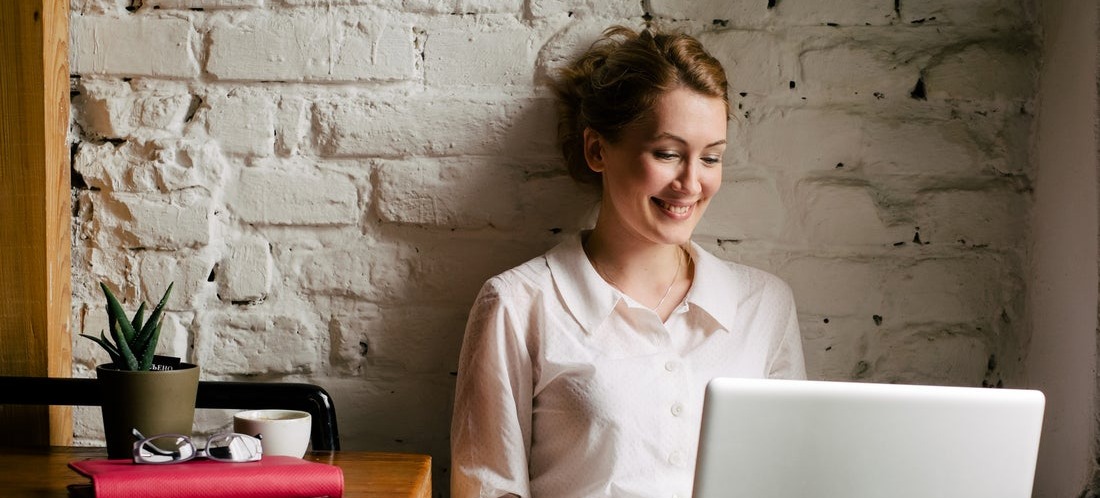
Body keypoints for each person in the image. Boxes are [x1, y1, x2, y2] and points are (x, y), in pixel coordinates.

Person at [450, 25, 806, 498]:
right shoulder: (519, 303)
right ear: (597, 150)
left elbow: (793, 478)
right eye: (668, 154)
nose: (691, 183)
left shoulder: (765, 305)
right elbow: (488, 489)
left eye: (712, 158)